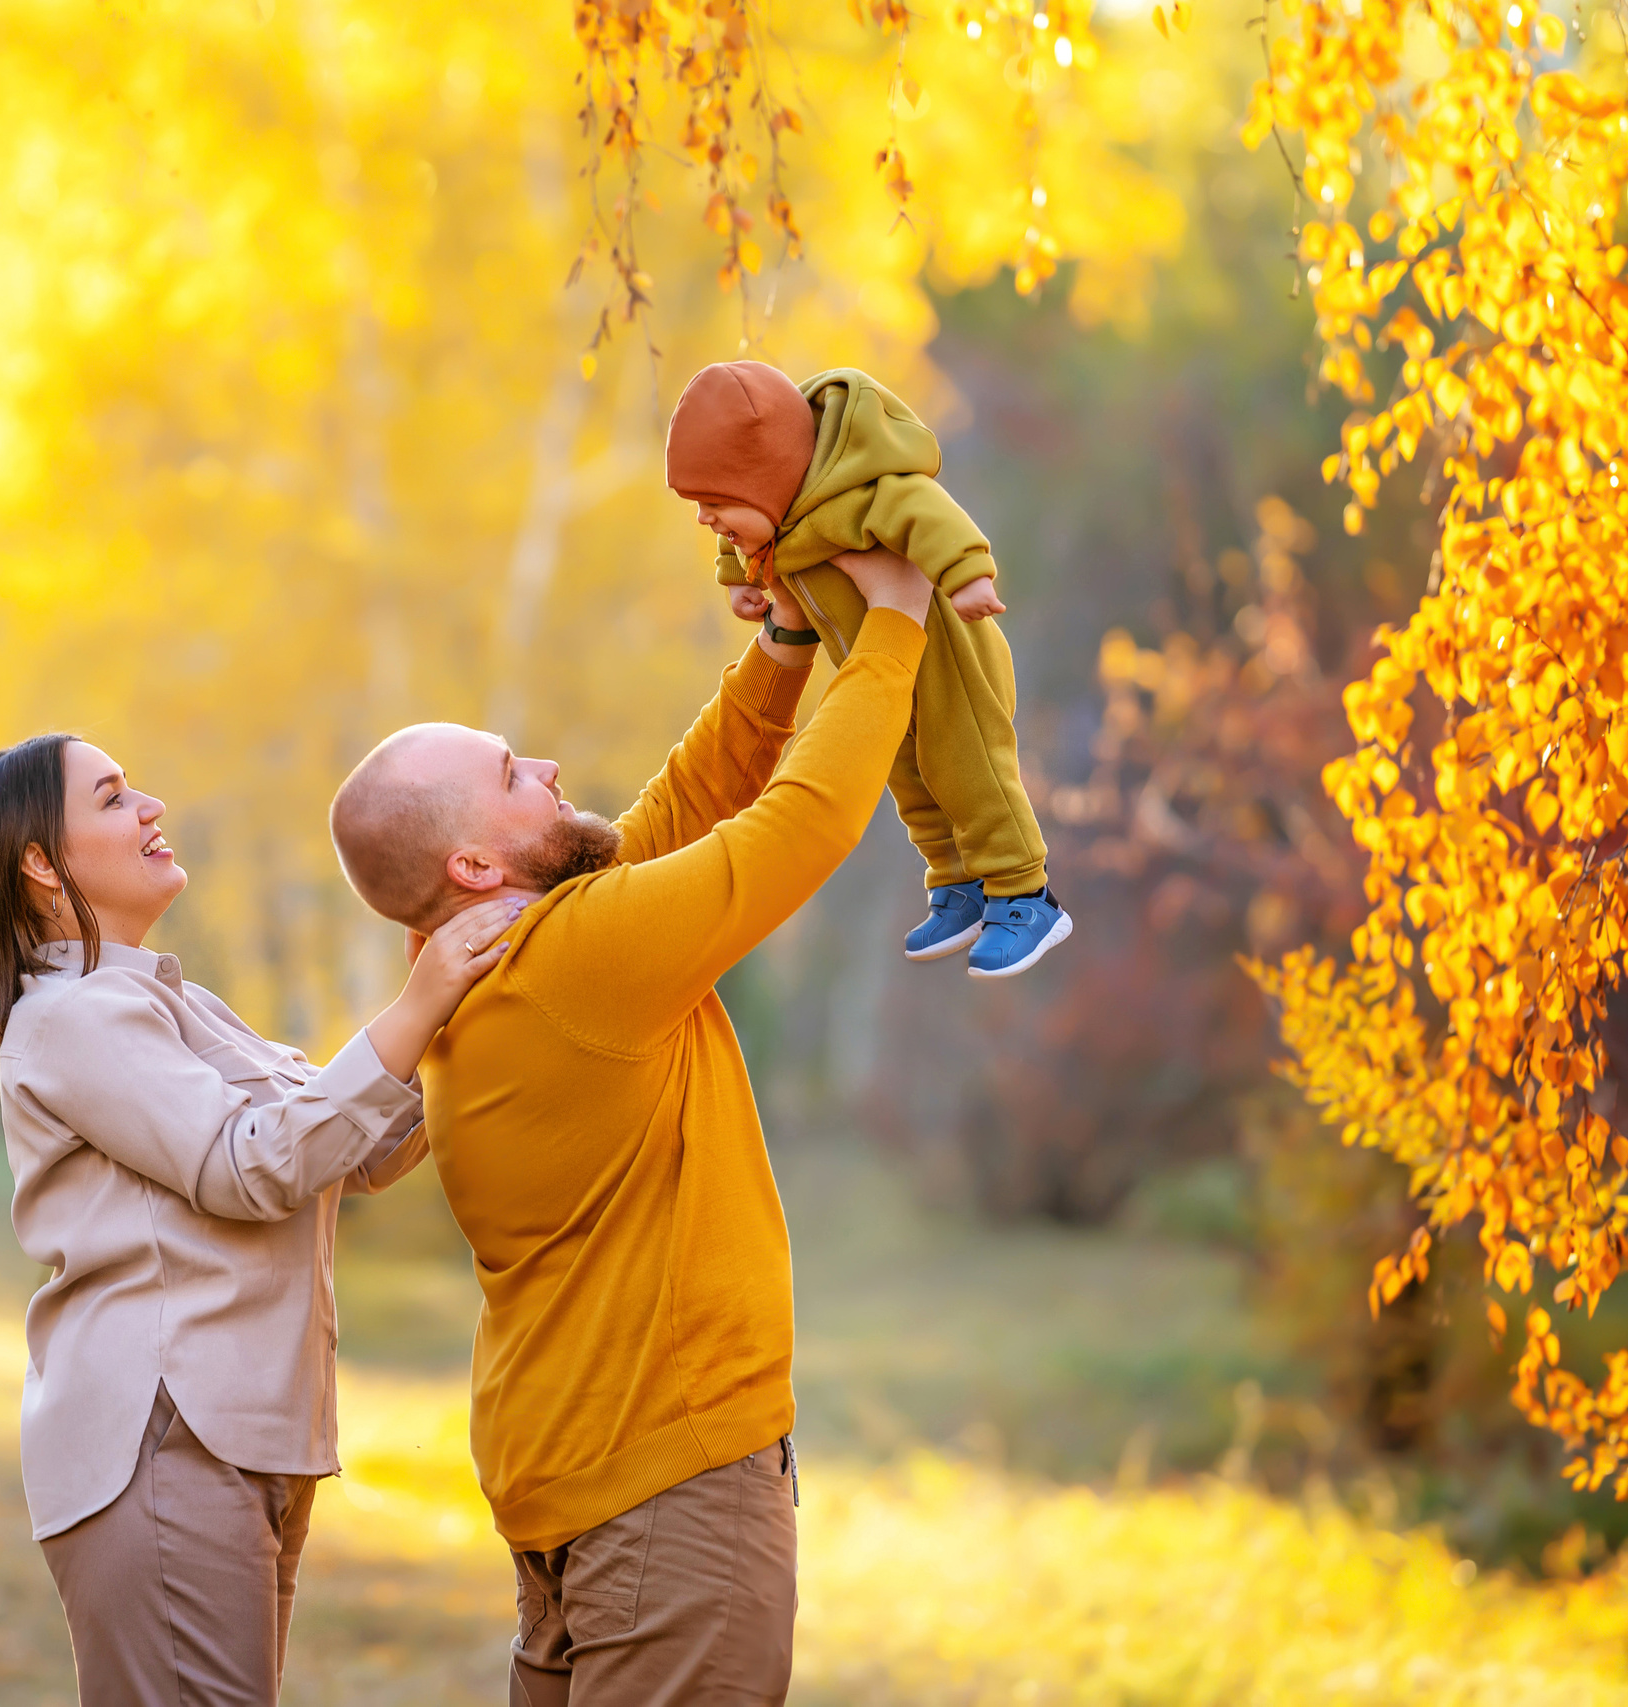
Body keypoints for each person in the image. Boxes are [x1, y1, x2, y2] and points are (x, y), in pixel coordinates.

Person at [326, 547, 934, 1706]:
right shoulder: (578, 960)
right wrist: (894, 624)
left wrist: (784, 647)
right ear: (472, 861)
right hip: (669, 1492)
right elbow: (796, 827)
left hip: (578, 1482)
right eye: (513, 774)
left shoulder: (482, 968)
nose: (547, 766)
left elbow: (674, 817)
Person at [0, 732, 521, 1706]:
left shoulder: (176, 1004)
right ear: (40, 863)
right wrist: (420, 1004)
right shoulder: (70, 1019)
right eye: (114, 798)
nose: (151, 806)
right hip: (163, 1440)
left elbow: (351, 1149)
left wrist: (451, 995)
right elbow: (248, 1168)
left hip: (243, 1442)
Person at [668, 358, 1073, 977]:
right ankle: (957, 884)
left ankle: (1025, 894)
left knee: (968, 768)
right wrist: (738, 579)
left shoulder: (858, 494)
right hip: (881, 665)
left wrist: (967, 575)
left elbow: (926, 511)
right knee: (908, 774)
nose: (706, 519)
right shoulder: (775, 515)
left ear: (767, 480)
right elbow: (741, 536)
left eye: (716, 503)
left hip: (948, 661)